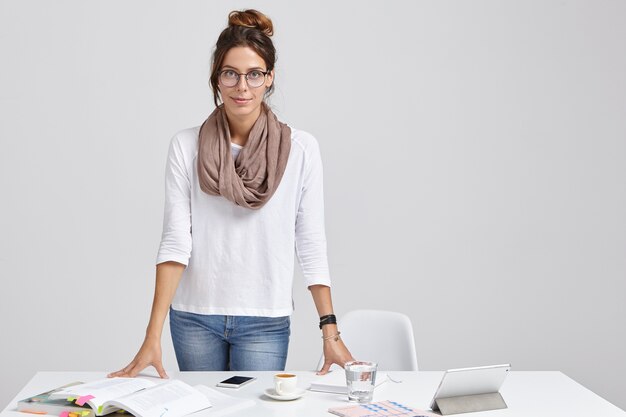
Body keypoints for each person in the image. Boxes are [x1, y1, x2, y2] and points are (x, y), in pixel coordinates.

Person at [109, 9, 353, 378]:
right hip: (194, 318)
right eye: (231, 74)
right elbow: (176, 242)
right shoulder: (186, 146)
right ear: (216, 80)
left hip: (264, 319)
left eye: (254, 74)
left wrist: (330, 330)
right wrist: (151, 335)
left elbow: (311, 243)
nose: (243, 87)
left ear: (270, 78)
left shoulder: (301, 149)